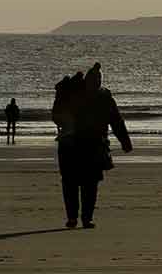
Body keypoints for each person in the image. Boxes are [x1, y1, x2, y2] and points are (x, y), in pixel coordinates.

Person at [53, 62, 131, 229]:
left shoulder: (99, 96)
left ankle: (81, 218)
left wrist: (125, 141)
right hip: (79, 146)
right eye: (95, 79)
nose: (97, 83)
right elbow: (116, 121)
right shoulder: (87, 95)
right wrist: (125, 142)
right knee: (78, 184)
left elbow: (116, 121)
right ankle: (78, 218)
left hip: (83, 146)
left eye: (98, 80)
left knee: (82, 184)